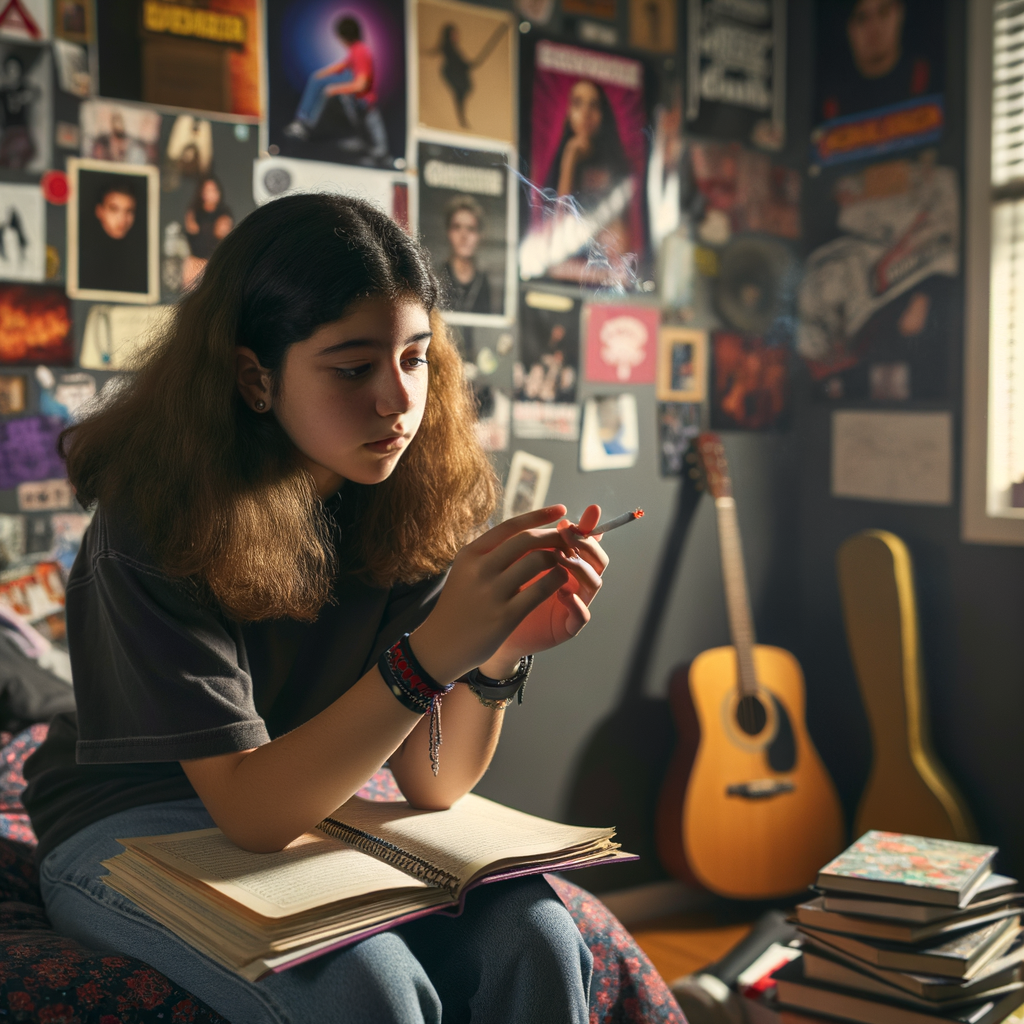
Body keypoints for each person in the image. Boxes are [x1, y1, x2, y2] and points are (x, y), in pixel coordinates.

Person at [23, 193, 609, 1024]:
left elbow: (434, 782)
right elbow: (250, 811)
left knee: (540, 939)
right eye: (353, 367)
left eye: (415, 358)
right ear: (253, 375)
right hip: (131, 825)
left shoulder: (408, 501)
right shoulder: (151, 522)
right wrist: (435, 651)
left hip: (310, 802)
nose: (397, 401)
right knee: (366, 987)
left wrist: (501, 646)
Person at [283, 16, 390, 165]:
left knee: (375, 138)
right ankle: (305, 121)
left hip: (363, 103)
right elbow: (342, 66)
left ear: (343, 36)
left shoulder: (361, 52)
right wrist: (321, 75)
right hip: (358, 103)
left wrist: (335, 89)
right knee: (320, 81)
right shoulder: (356, 50)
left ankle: (378, 155)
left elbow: (361, 85)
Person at [818, 0, 937, 122]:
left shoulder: (929, 76)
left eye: (883, 12)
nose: (874, 28)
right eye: (861, 18)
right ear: (848, 28)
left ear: (899, 13)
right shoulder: (833, 103)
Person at [426, 22, 508, 130]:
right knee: (460, 93)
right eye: (453, 34)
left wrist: (470, 64)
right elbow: (458, 61)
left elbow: (461, 62)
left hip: (457, 73)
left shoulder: (454, 48)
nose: (456, 36)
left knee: (462, 93)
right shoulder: (448, 47)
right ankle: (462, 118)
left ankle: (462, 118)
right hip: (452, 72)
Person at [77, 175, 148, 295]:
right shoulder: (83, 251)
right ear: (100, 211)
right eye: (114, 209)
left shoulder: (141, 254)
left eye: (129, 211)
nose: (122, 219)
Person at [439, 194, 492, 314]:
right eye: (457, 227)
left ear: (479, 235)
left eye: (471, 229)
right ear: (448, 232)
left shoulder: (484, 282)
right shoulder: (436, 277)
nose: (464, 236)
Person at [182, 174, 233, 289]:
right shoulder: (194, 212)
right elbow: (193, 236)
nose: (210, 194)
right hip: (194, 264)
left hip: (215, 264)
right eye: (207, 190)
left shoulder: (224, 213)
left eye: (213, 190)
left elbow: (222, 237)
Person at [0, 53, 40, 170]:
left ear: (20, 71)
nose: (13, 72)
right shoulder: (3, 91)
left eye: (15, 69)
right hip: (7, 131)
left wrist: (22, 98)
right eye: (10, 69)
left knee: (19, 159)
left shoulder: (25, 88)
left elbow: (36, 93)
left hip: (21, 131)